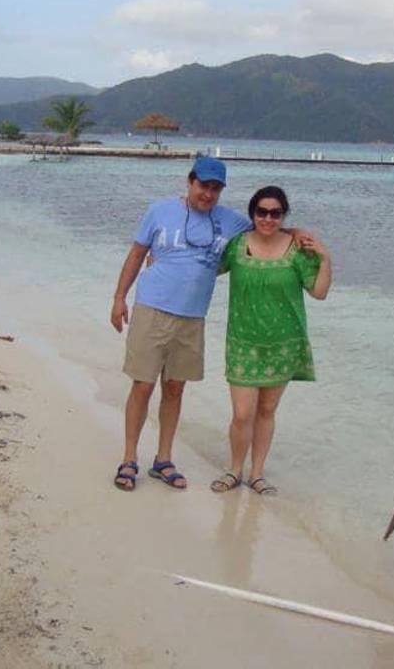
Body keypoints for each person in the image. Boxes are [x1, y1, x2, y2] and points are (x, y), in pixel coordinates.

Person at [109, 156, 252, 492]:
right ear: (190, 182)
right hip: (152, 309)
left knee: (175, 388)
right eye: (203, 186)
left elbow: (266, 232)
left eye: (216, 188)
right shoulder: (159, 211)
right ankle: (129, 458)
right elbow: (136, 254)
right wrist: (119, 298)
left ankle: (163, 460)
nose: (208, 194)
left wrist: (303, 237)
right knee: (143, 385)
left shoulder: (230, 220)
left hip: (193, 318)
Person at [210, 186, 331, 496]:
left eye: (275, 213)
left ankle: (257, 474)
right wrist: (163, 262)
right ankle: (234, 470)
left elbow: (319, 292)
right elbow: (206, 268)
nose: (267, 218)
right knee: (242, 414)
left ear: (283, 216)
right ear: (252, 214)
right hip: (243, 342)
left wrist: (325, 258)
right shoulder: (237, 245)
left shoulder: (297, 250)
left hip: (283, 344)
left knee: (266, 411)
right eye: (261, 212)